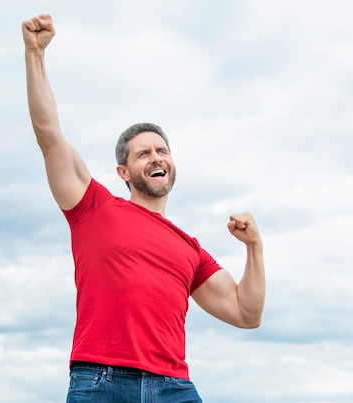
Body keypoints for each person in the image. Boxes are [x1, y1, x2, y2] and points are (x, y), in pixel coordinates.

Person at [22, 13, 266, 403]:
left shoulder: (190, 248)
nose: (156, 157)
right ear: (123, 170)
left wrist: (254, 248)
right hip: (101, 380)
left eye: (162, 150)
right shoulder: (94, 207)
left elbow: (246, 313)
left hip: (174, 387)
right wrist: (35, 55)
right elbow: (49, 136)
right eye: (144, 153)